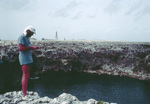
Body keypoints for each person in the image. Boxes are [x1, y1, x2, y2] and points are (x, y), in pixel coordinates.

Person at [18, 26, 39, 98]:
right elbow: (20, 48)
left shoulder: (27, 37)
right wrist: (31, 48)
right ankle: (24, 93)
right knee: (25, 75)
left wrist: (31, 48)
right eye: (32, 33)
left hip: (28, 58)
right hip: (24, 59)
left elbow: (25, 47)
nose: (32, 35)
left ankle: (24, 91)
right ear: (28, 31)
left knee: (26, 75)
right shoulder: (22, 37)